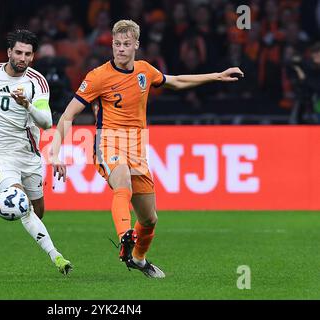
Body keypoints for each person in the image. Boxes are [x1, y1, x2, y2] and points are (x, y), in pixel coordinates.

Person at [50, 20, 243, 278]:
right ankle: (124, 237)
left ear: (136, 45)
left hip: (137, 145)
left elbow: (176, 81)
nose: (120, 49)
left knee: (150, 219)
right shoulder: (97, 76)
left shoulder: (145, 71)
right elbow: (68, 115)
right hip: (108, 140)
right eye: (116, 44)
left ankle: (138, 259)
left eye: (126, 44)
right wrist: (54, 152)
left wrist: (216, 76)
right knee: (122, 182)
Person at [0, 29, 72, 275]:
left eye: (28, 54)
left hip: (26, 152)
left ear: (33, 56)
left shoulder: (36, 83)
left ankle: (33, 227)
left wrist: (26, 104)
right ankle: (57, 256)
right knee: (20, 203)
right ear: (9, 52)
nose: (22, 58)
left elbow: (45, 123)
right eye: (18, 52)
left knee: (37, 208)